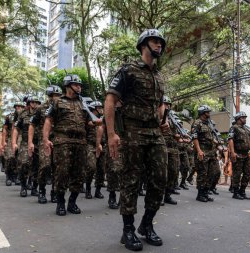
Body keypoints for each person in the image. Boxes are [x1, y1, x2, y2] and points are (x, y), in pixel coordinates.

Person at [105, 29, 168, 251]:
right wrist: (111, 134)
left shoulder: (159, 76)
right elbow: (110, 101)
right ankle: (128, 229)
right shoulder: (128, 70)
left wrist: (162, 118)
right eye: (154, 41)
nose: (159, 45)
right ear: (143, 44)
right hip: (132, 131)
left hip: (154, 133)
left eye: (161, 42)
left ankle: (147, 225)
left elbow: (160, 103)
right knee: (130, 180)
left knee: (160, 179)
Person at [43, 74, 95, 216]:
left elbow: (89, 122)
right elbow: (48, 120)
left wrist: (98, 122)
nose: (79, 87)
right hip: (63, 141)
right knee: (62, 172)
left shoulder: (83, 103)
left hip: (80, 142)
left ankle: (72, 202)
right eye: (76, 84)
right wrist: (46, 139)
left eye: (80, 85)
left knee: (79, 173)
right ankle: (60, 203)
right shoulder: (57, 102)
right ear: (68, 86)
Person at [29, 85, 62, 204]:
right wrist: (30, 142)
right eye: (54, 95)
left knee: (57, 168)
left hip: (59, 141)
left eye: (58, 95)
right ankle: (41, 191)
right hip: (44, 142)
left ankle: (54, 192)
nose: (56, 98)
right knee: (45, 165)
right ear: (49, 96)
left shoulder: (62, 107)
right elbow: (32, 125)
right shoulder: (40, 108)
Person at [12, 96, 41, 197]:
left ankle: (34, 188)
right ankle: (23, 186)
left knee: (38, 166)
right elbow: (16, 129)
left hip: (39, 142)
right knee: (23, 163)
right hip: (25, 142)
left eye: (36, 102)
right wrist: (14, 143)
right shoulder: (23, 114)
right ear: (29, 103)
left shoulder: (43, 113)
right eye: (32, 102)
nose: (34, 104)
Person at [191, 105, 221, 202]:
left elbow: (211, 137)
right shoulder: (197, 123)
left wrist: (218, 144)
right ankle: (200, 194)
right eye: (208, 112)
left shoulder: (209, 124)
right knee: (202, 174)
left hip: (211, 152)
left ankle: (206, 192)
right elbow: (195, 138)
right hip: (203, 152)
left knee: (213, 173)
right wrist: (199, 151)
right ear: (203, 113)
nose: (209, 113)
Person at [228, 111, 250, 200]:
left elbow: (249, 140)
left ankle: (242, 191)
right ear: (238, 119)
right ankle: (235, 192)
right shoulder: (234, 128)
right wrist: (232, 152)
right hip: (237, 154)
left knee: (248, 172)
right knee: (237, 174)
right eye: (243, 118)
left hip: (246, 155)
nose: (245, 119)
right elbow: (230, 140)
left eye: (245, 117)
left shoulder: (246, 129)